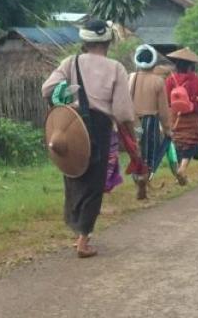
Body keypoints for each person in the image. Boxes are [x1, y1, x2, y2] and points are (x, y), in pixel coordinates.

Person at [41, 20, 135, 258]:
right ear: (108, 42)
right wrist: (131, 136)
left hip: (71, 124)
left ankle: (77, 230)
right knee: (95, 182)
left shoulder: (70, 62)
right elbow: (123, 112)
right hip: (99, 126)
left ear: (84, 41)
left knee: (74, 175)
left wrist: (68, 99)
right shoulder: (115, 68)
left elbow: (47, 89)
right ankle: (84, 240)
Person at [128, 44, 171, 200]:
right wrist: (167, 129)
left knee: (136, 153)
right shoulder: (158, 81)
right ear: (154, 62)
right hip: (150, 121)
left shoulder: (130, 78)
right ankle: (144, 182)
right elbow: (163, 110)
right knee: (149, 155)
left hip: (133, 121)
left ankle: (138, 179)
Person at [164, 47, 198, 183]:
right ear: (191, 65)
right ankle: (182, 169)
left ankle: (178, 171)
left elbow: (166, 100)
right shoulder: (195, 80)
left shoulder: (170, 79)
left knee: (178, 142)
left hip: (175, 117)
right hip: (192, 117)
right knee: (191, 143)